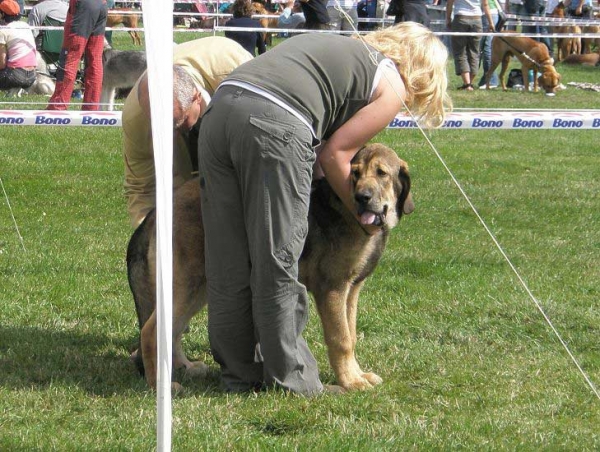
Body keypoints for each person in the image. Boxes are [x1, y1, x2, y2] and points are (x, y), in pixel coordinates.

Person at [196, 22, 451, 396]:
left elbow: (319, 154)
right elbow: (336, 155)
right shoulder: (392, 83)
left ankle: (239, 375)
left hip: (220, 111)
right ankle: (293, 382)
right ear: (422, 71)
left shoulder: (342, 51)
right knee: (278, 257)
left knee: (229, 256)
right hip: (272, 120)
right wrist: (362, 220)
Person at [122, 36, 253, 228]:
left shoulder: (236, 70)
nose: (169, 134)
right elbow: (142, 189)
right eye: (161, 129)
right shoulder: (136, 116)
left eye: (176, 124)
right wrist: (151, 238)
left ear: (196, 97)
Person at [47, 0, 108, 111]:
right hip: (101, 4)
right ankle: (91, 107)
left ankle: (58, 106)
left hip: (82, 6)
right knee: (95, 60)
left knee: (70, 57)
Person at [446, 0, 494, 90]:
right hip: (477, 19)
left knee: (460, 51)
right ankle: (469, 83)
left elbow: (449, 3)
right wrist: (491, 23)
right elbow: (485, 4)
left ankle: (467, 84)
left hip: (460, 18)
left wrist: (448, 18)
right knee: (475, 52)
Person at [0, 0, 37, 92]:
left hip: (15, 76)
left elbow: (2, 63)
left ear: (2, 14)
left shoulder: (3, 31)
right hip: (32, 77)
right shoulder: (26, 26)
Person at [477, 0, 500, 88]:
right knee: (484, 48)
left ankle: (492, 80)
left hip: (488, 14)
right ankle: (486, 79)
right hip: (490, 13)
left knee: (487, 49)